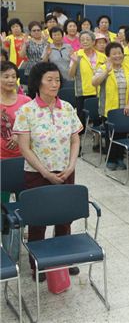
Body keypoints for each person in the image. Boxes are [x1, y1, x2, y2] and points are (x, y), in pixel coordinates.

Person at [13, 62, 83, 280]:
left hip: (65, 171)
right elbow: (24, 147)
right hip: (37, 174)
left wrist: (71, 165)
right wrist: (44, 172)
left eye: (57, 80)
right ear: (38, 83)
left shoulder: (68, 108)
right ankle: (38, 264)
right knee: (38, 221)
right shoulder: (27, 110)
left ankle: (63, 259)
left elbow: (75, 139)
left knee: (64, 218)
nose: (55, 84)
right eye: (49, 80)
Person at [92, 42, 129, 170]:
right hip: (109, 109)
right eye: (114, 54)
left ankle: (120, 158)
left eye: (119, 53)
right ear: (108, 56)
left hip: (124, 108)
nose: (117, 56)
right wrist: (106, 72)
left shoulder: (127, 69)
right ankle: (110, 159)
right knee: (111, 135)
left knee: (122, 134)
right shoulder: (103, 67)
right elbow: (94, 82)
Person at [69, 30, 107, 130]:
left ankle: (97, 142)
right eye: (82, 40)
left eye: (87, 39)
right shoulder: (76, 55)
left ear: (94, 42)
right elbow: (70, 75)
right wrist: (75, 63)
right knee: (81, 120)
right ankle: (79, 142)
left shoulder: (102, 56)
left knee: (98, 119)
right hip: (82, 93)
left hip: (99, 92)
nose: (85, 42)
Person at [0, 61, 31, 166]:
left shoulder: (26, 101)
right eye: (6, 76)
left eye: (14, 77)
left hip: (23, 156)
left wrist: (19, 135)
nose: (11, 80)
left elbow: (35, 127)